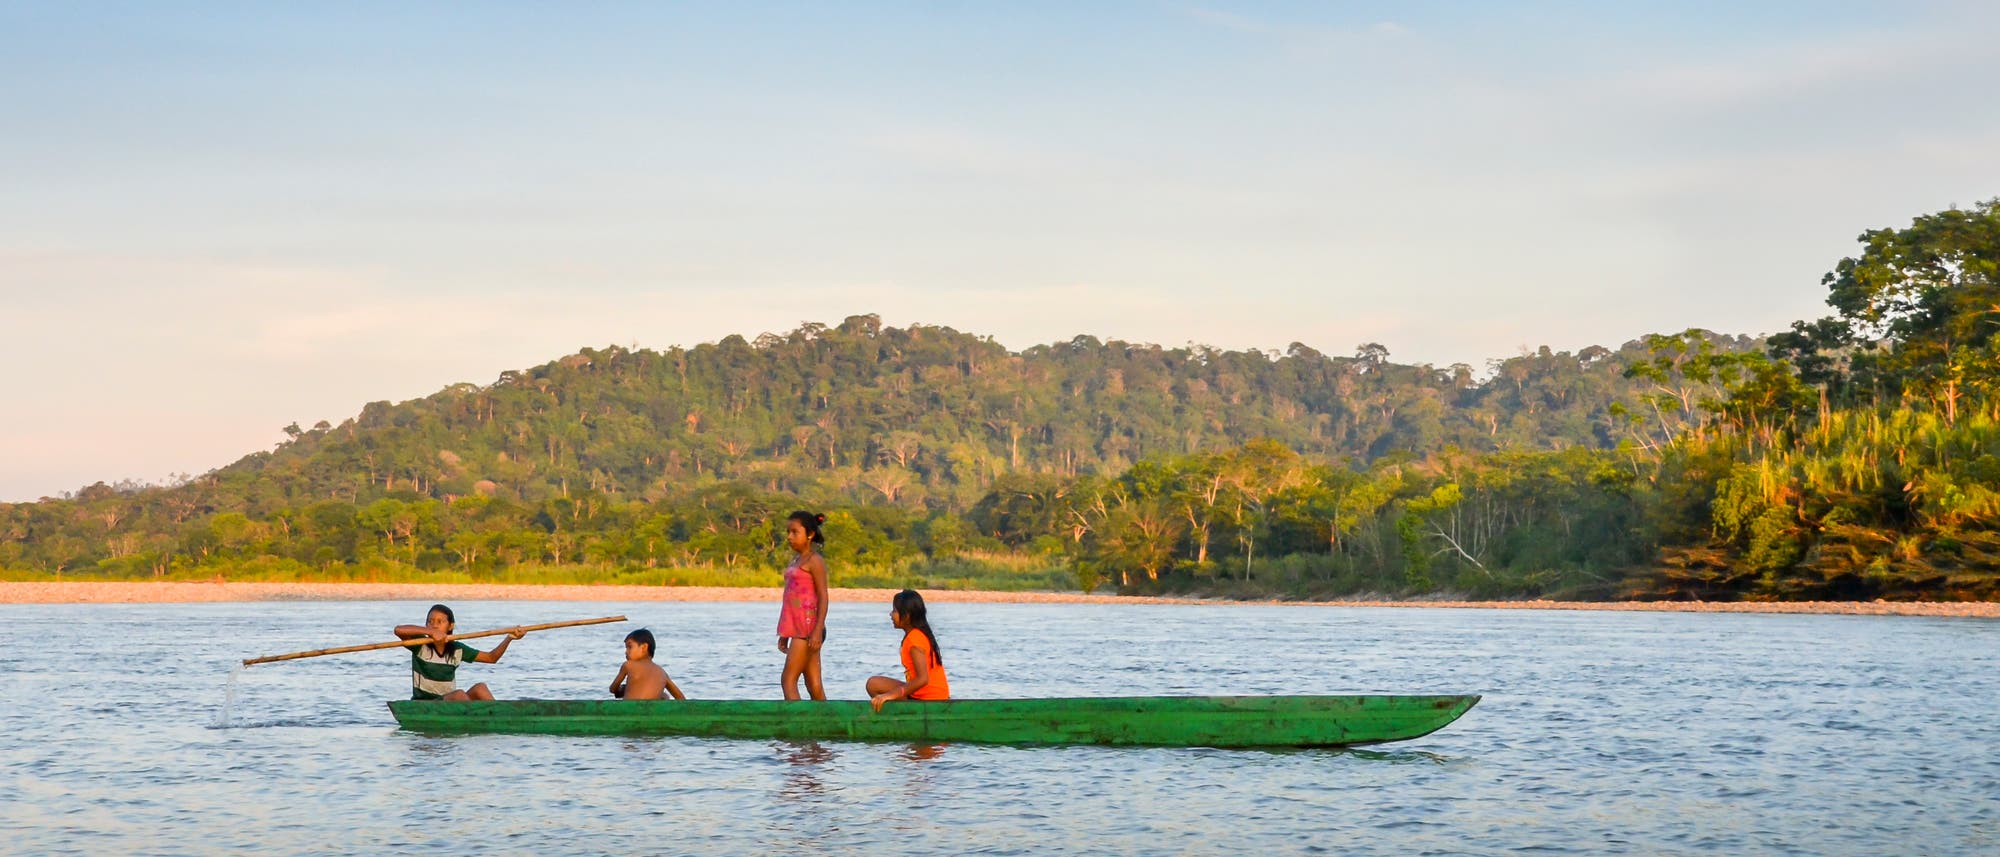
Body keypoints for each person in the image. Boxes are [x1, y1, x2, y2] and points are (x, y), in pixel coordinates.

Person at [393, 604, 523, 701]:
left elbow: (491, 658)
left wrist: (509, 638)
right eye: (430, 621)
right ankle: (474, 718)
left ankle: (498, 716)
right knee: (459, 695)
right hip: (426, 703)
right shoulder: (419, 645)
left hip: (449, 701)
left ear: (450, 626)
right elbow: (399, 630)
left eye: (440, 622)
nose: (434, 625)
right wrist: (430, 632)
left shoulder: (457, 649)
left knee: (480, 688)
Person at [866, 589, 950, 712]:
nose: (891, 614)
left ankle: (904, 717)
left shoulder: (915, 639)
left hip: (930, 698)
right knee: (873, 684)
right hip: (922, 694)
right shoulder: (915, 635)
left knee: (873, 685)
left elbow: (923, 679)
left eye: (894, 611)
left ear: (906, 616)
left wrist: (891, 694)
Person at [777, 510, 830, 701]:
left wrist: (817, 630)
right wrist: (785, 633)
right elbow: (790, 599)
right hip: (797, 628)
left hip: (808, 629)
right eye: (788, 532)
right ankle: (827, 722)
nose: (789, 537)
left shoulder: (815, 561)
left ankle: (797, 725)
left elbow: (823, 597)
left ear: (810, 534)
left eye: (794, 532)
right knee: (813, 684)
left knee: (788, 680)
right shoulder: (796, 560)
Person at [610, 628, 685, 700]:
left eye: (630, 647)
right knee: (664, 696)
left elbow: (613, 688)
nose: (626, 652)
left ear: (644, 647)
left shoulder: (628, 665)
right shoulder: (662, 672)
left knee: (663, 696)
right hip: (650, 711)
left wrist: (623, 689)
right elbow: (680, 697)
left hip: (629, 710)